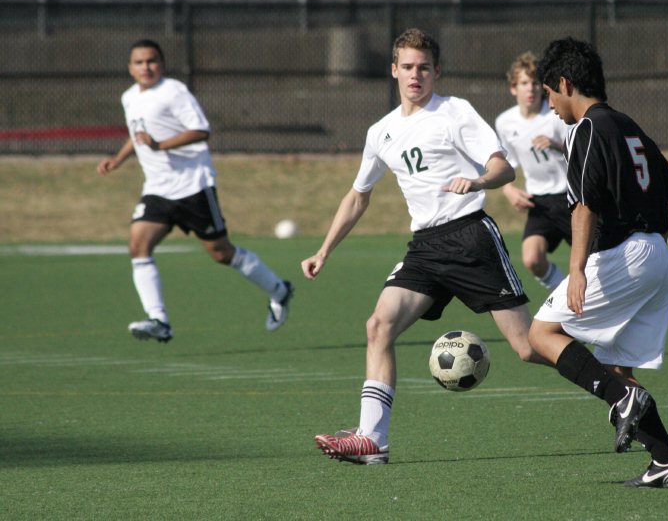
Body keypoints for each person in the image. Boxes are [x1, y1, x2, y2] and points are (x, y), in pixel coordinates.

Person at [301, 28, 547, 465]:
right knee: (379, 326)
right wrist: (324, 250)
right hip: (427, 248)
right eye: (408, 67)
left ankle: (610, 379)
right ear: (394, 70)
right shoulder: (381, 132)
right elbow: (359, 195)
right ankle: (372, 442)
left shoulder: (454, 112)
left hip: (470, 236)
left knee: (528, 347)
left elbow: (501, 167)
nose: (416, 76)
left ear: (437, 72)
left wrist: (479, 180)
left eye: (425, 68)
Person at [529, 37, 668, 488]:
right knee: (619, 372)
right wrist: (662, 256)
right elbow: (663, 197)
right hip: (654, 253)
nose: (551, 105)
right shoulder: (631, 126)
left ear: (565, 83)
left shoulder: (585, 129)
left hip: (623, 252)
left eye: (549, 94)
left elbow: (584, 206)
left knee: (539, 335)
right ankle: (666, 461)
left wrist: (577, 269)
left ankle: (622, 402)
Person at [97, 39, 294, 343]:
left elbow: (201, 130)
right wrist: (119, 158)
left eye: (151, 61)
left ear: (161, 64)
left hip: (193, 186)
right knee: (138, 246)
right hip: (158, 189)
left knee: (221, 253)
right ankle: (159, 320)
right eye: (139, 62)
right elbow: (138, 135)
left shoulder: (173, 91)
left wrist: (160, 145)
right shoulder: (129, 97)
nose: (146, 67)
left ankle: (279, 290)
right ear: (130, 68)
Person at [495, 51, 571, 291]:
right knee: (532, 259)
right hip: (540, 203)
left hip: (571, 198)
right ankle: (562, 295)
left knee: (594, 260)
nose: (531, 89)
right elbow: (508, 164)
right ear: (513, 88)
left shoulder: (557, 116)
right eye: (524, 83)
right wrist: (509, 191)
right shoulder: (505, 123)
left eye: (536, 83)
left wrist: (557, 146)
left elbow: (583, 153)